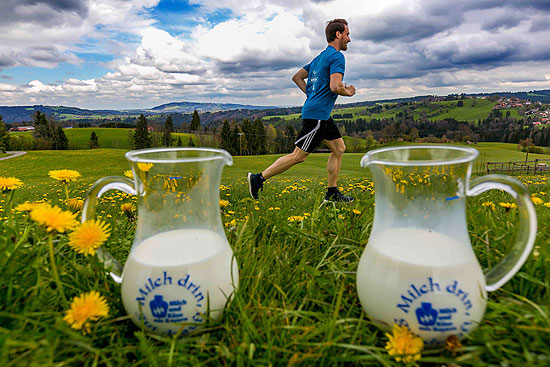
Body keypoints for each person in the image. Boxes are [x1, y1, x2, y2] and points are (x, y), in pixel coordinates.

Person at [247, 18, 356, 202]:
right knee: (298, 156)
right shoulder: (337, 56)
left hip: (321, 115)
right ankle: (258, 179)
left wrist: (310, 94)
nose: (349, 39)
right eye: (347, 34)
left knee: (339, 148)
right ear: (338, 34)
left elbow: (297, 77)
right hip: (317, 117)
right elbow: (335, 86)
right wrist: (349, 92)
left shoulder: (319, 58)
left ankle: (332, 193)